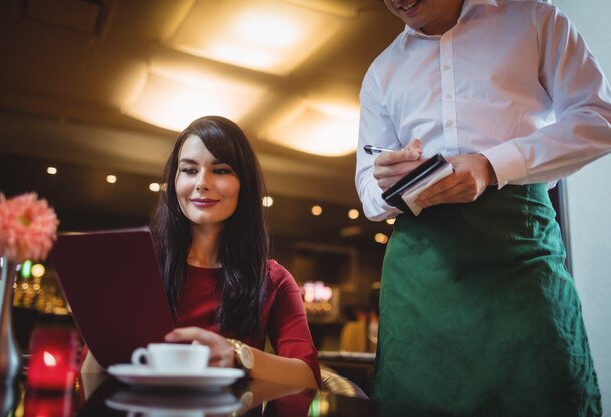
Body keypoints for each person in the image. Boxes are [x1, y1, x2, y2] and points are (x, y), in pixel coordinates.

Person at [355, 1, 611, 416]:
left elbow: (599, 118)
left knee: (547, 393)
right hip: (421, 273)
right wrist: (390, 178)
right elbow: (368, 192)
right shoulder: (381, 72)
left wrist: (493, 165)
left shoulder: (535, 19)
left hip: (520, 250)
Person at [83, 115, 320, 390]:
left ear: (244, 185)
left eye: (220, 170)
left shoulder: (273, 280)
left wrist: (237, 355)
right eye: (189, 170)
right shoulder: (137, 266)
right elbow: (92, 372)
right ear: (174, 181)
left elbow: (308, 378)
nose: (202, 183)